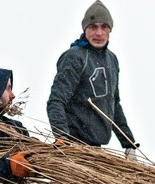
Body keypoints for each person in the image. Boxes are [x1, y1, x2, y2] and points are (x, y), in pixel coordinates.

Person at [47, 0, 138, 158]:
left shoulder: (112, 60)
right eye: (93, 26)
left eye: (104, 27)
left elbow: (114, 105)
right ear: (85, 29)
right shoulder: (75, 57)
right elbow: (56, 100)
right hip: (74, 144)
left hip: (96, 148)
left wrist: (129, 143)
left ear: (110, 30)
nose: (99, 33)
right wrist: (62, 137)